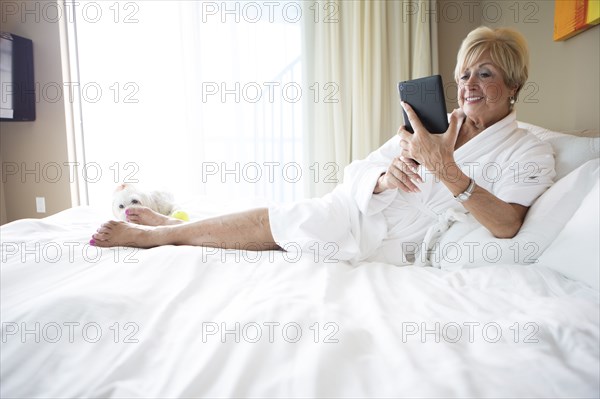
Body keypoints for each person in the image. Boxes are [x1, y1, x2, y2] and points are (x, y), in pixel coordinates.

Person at [90, 26, 555, 266]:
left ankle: (159, 235)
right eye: (464, 73)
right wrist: (383, 175)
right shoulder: (438, 125)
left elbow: (509, 223)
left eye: (485, 73)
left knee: (276, 225)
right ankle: (167, 230)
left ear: (514, 83)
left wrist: (446, 169)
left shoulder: (529, 150)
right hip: (364, 209)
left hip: (399, 238)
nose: (469, 84)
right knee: (278, 219)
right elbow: (364, 166)